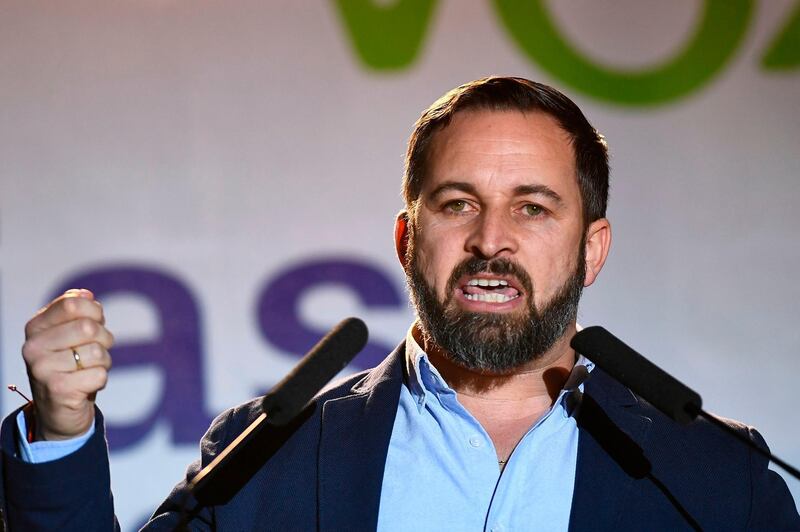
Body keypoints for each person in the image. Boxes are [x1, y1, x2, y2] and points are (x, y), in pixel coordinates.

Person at [2, 77, 798, 531]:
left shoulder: (721, 480)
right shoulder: (261, 458)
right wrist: (61, 434)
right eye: (457, 204)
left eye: (532, 207)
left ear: (592, 248)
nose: (491, 240)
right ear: (405, 241)